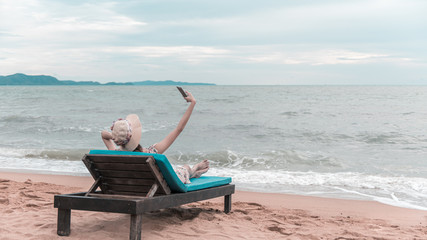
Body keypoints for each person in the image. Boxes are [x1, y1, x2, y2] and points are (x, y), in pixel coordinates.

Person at [100, 90, 209, 184]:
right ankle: (194, 170)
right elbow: (178, 129)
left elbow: (103, 134)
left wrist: (118, 137)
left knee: (181, 169)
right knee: (185, 168)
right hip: (159, 184)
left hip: (136, 186)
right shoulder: (151, 153)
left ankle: (194, 171)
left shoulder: (116, 153)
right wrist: (192, 103)